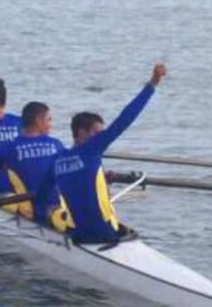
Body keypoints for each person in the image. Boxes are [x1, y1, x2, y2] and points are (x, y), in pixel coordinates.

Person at [42, 63, 167, 243]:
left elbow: (42, 194)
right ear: (81, 133)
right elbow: (125, 118)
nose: (101, 136)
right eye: (98, 132)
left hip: (78, 235)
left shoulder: (56, 160)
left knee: (54, 211)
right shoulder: (93, 148)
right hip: (105, 233)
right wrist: (152, 85)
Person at [0, 101, 66, 220]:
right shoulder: (57, 145)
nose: (50, 124)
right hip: (55, 211)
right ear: (38, 121)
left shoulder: (9, 147)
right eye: (49, 120)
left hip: (29, 212)